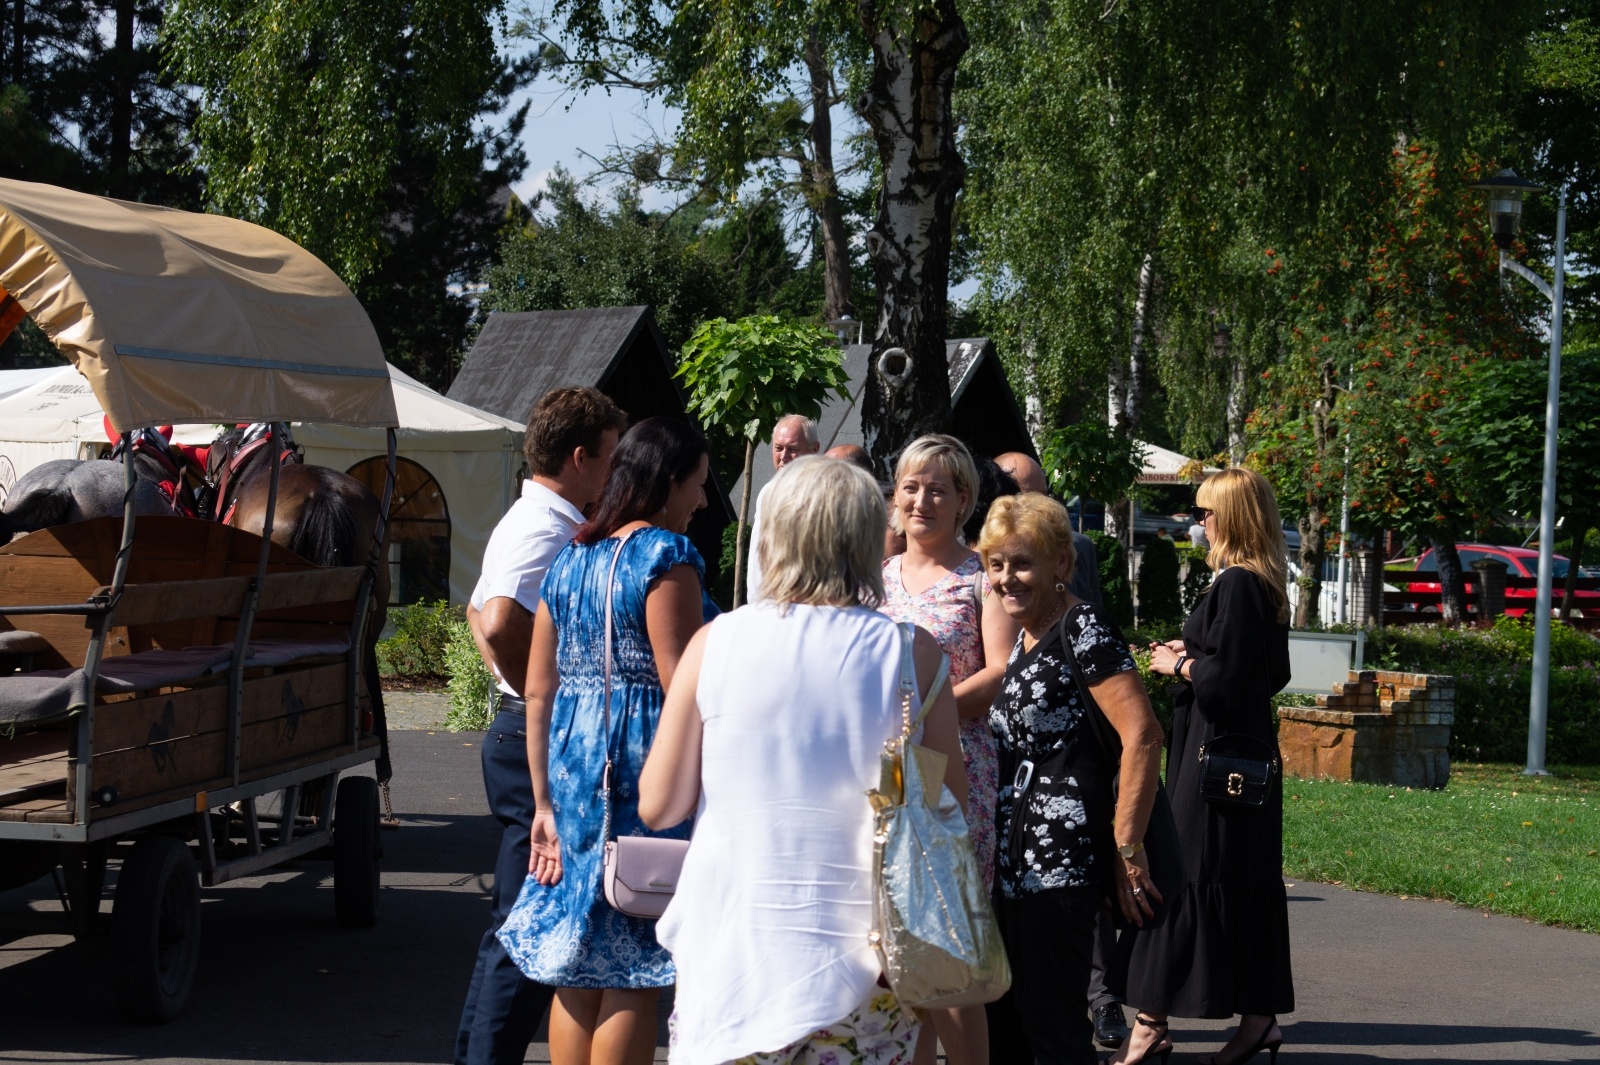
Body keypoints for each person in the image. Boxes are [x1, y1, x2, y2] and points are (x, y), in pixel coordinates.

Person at [640, 455, 968, 1065]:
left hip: (732, 957)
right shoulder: (912, 653)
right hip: (866, 964)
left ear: (774, 536)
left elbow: (659, 805)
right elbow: (952, 807)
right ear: (869, 539)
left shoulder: (716, 642)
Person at [496, 417, 715, 1065]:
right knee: (637, 965)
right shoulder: (665, 557)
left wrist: (542, 803)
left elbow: (539, 690)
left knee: (579, 963)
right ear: (668, 482)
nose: (703, 500)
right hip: (644, 769)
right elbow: (682, 687)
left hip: (572, 769)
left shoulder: (570, 557)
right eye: (698, 483)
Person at [456, 387, 627, 1065]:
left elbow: (476, 613)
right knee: (530, 932)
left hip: (518, 728)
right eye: (610, 456)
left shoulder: (529, 518)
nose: (615, 472)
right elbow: (497, 620)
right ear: (580, 457)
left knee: (515, 928)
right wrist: (544, 697)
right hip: (535, 736)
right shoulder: (547, 529)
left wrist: (522, 686)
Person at [977, 493, 1166, 1065]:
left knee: (1053, 1030)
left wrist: (1128, 847)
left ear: (1060, 562)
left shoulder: (1082, 625)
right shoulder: (1027, 634)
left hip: (1062, 862)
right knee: (1009, 1026)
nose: (1006, 578)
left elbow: (1143, 734)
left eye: (1022, 563)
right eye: (996, 565)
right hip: (1016, 862)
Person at [1113, 467, 1294, 1065]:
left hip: (1213, 759)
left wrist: (1179, 666)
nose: (1199, 523)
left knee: (1182, 872)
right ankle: (1258, 1021)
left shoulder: (1237, 583)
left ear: (1230, 517)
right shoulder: (1265, 583)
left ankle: (1150, 1025)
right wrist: (1195, 654)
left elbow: (1226, 682)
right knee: (1239, 879)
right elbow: (1269, 673)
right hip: (1244, 759)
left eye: (1205, 512)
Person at [881, 434, 1019, 1065]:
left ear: (964, 499)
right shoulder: (877, 576)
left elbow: (999, 671)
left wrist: (927, 716)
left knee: (947, 937)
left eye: (938, 489)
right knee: (896, 937)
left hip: (956, 767)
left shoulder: (980, 578)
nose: (921, 501)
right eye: (911, 487)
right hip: (886, 772)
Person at [994, 451, 1104, 609]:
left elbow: (1096, 612)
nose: (1042, 506)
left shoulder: (1079, 546)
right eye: (1029, 498)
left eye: (1044, 495)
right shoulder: (977, 556)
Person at [745, 414, 820, 602]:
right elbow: (757, 558)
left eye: (792, 449)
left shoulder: (826, 493)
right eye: (778, 448)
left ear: (814, 449)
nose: (784, 457)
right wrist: (757, 603)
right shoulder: (768, 492)